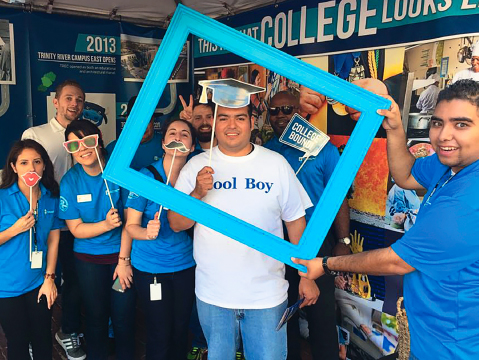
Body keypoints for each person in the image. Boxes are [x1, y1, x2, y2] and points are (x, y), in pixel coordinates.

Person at [293, 79, 479, 359]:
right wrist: (394, 126)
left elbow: (396, 261)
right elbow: (406, 175)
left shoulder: (470, 196)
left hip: (455, 347)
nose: (443, 135)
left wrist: (325, 264)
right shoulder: (449, 165)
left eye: (461, 124)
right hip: (429, 335)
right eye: (438, 122)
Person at [168, 101, 317, 360]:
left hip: (267, 295)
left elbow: (295, 221)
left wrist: (307, 275)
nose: (231, 125)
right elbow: (177, 223)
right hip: (213, 294)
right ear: (215, 124)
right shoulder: (196, 166)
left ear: (251, 122)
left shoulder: (276, 164)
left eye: (239, 118)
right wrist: (197, 193)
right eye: (223, 118)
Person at [264, 91, 351, 360]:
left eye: (287, 109)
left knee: (321, 313)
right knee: (283, 311)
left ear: (300, 113)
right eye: (275, 111)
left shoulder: (323, 148)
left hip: (316, 241)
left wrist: (343, 241)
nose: (280, 116)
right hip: (277, 242)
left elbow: (338, 198)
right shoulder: (265, 151)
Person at [59, 120, 136, 360]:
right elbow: (76, 229)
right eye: (74, 145)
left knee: (123, 315)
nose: (83, 149)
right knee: (95, 315)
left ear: (99, 140)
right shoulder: (70, 181)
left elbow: (131, 223)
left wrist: (124, 260)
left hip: (118, 261)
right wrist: (105, 225)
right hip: (89, 262)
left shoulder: (118, 173)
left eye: (88, 141)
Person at [21, 79, 86, 360]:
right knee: (40, 278)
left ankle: (67, 331)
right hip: (44, 220)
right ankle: (38, 336)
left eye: (80, 100)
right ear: (56, 101)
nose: (74, 104)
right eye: (69, 98)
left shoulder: (84, 136)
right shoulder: (35, 134)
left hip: (75, 221)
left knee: (73, 280)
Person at [124, 118, 196, 360]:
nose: (178, 137)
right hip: (150, 268)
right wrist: (146, 232)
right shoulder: (145, 178)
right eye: (172, 133)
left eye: (184, 134)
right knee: (159, 331)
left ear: (193, 146)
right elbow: (130, 226)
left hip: (186, 266)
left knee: (180, 328)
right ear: (163, 144)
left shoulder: (197, 181)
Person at [0, 139, 62, 359]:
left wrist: (50, 278)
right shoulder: (2, 197)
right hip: (6, 287)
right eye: (24, 162)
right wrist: (15, 229)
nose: (31, 168)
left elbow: (54, 239)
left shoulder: (50, 195)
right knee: (17, 342)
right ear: (14, 167)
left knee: (43, 338)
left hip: (39, 282)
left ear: (44, 165)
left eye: (37, 161)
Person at [106, 95, 164, 171]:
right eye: (137, 121)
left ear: (153, 120)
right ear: (128, 121)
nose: (142, 126)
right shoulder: (113, 149)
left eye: (147, 120)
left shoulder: (166, 145)